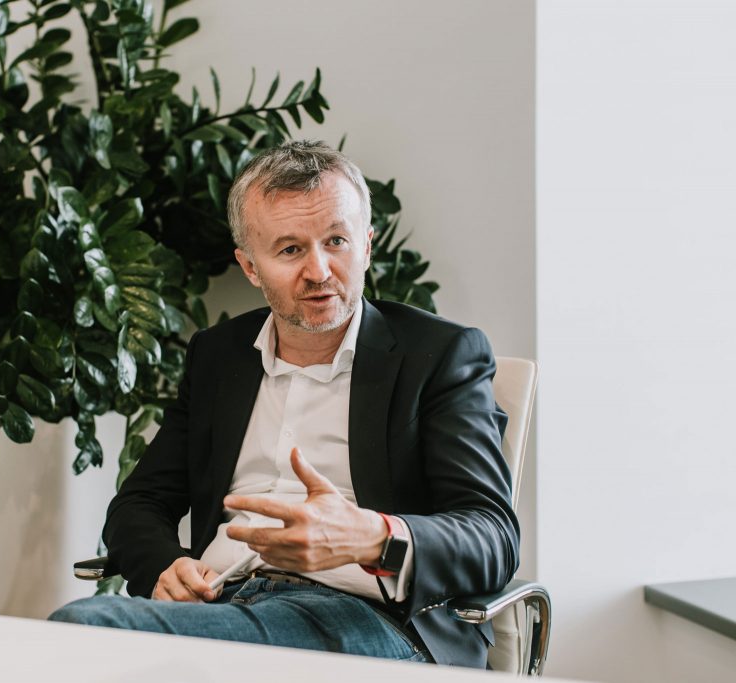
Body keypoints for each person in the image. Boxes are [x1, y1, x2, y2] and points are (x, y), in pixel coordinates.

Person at [50, 140, 519, 668]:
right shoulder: (219, 356)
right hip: (221, 603)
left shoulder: (438, 355)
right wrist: (164, 567)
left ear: (366, 245)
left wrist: (372, 538)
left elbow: (492, 536)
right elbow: (140, 503)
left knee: (88, 629)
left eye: (336, 241)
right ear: (250, 267)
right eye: (291, 250)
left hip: (368, 619)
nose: (319, 271)